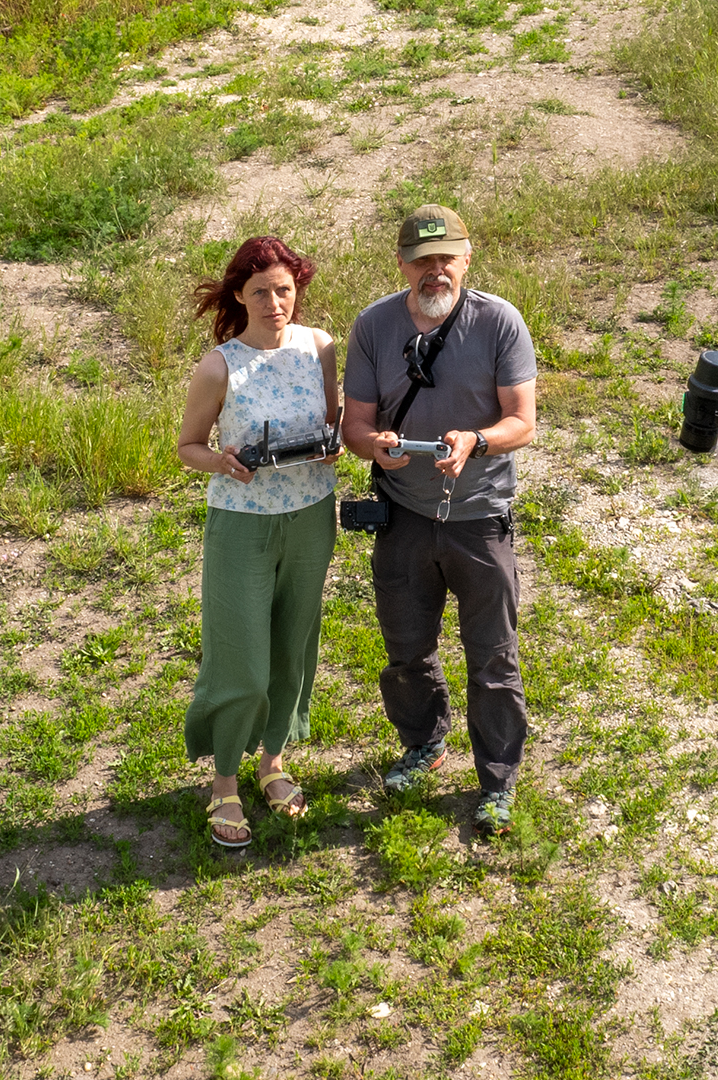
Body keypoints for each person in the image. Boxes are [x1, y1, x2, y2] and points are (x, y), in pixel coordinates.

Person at [342, 205, 537, 834]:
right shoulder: (373, 327)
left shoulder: (499, 322)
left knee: (493, 657)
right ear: (401, 263)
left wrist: (475, 442)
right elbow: (355, 424)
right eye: (422, 260)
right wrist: (374, 446)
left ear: (467, 257)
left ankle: (497, 782)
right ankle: (423, 742)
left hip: (480, 519)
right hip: (402, 517)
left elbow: (522, 422)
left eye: (446, 258)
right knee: (405, 649)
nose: (435, 272)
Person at [177, 236, 341, 849]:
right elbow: (187, 445)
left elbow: (332, 423)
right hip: (241, 523)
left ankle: (273, 762)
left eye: (284, 290)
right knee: (240, 657)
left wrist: (334, 444)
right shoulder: (220, 364)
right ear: (238, 297)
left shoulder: (320, 346)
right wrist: (223, 463)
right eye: (260, 292)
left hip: (310, 515)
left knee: (293, 642)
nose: (275, 303)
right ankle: (224, 782)